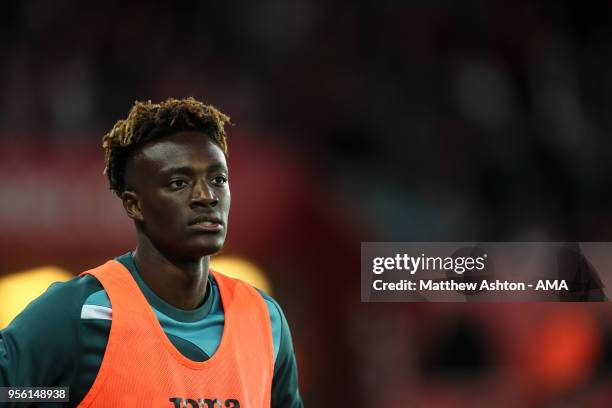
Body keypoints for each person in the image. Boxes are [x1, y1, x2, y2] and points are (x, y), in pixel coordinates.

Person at [0, 97, 303, 407]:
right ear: (134, 204)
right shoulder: (83, 312)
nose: (207, 196)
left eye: (218, 179)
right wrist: (54, 399)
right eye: (179, 182)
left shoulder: (265, 320)